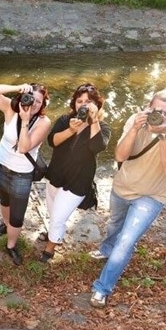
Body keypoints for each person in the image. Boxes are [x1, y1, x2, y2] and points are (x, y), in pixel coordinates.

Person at [90, 89, 166, 308]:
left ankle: (102, 288)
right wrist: (134, 129)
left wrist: (165, 134)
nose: (160, 116)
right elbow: (120, 156)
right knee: (114, 224)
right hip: (123, 186)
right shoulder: (135, 119)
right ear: (149, 106)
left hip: (152, 195)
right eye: (156, 110)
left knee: (127, 241)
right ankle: (106, 249)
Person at [40, 83, 111, 263]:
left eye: (88, 101)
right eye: (80, 101)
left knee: (58, 217)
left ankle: (50, 248)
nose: (83, 105)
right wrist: (71, 129)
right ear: (74, 104)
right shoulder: (65, 120)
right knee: (52, 211)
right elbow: (52, 141)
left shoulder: (102, 127)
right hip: (56, 175)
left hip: (78, 180)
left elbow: (98, 146)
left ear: (97, 104)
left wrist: (93, 120)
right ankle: (54, 233)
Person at [0, 83, 51, 265]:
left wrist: (26, 120)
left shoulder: (44, 122)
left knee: (18, 215)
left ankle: (11, 245)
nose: (34, 103)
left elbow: (23, 147)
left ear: (44, 103)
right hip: (0, 165)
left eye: (39, 101)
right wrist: (16, 87)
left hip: (21, 174)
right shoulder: (11, 109)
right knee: (4, 199)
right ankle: (5, 225)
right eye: (31, 98)